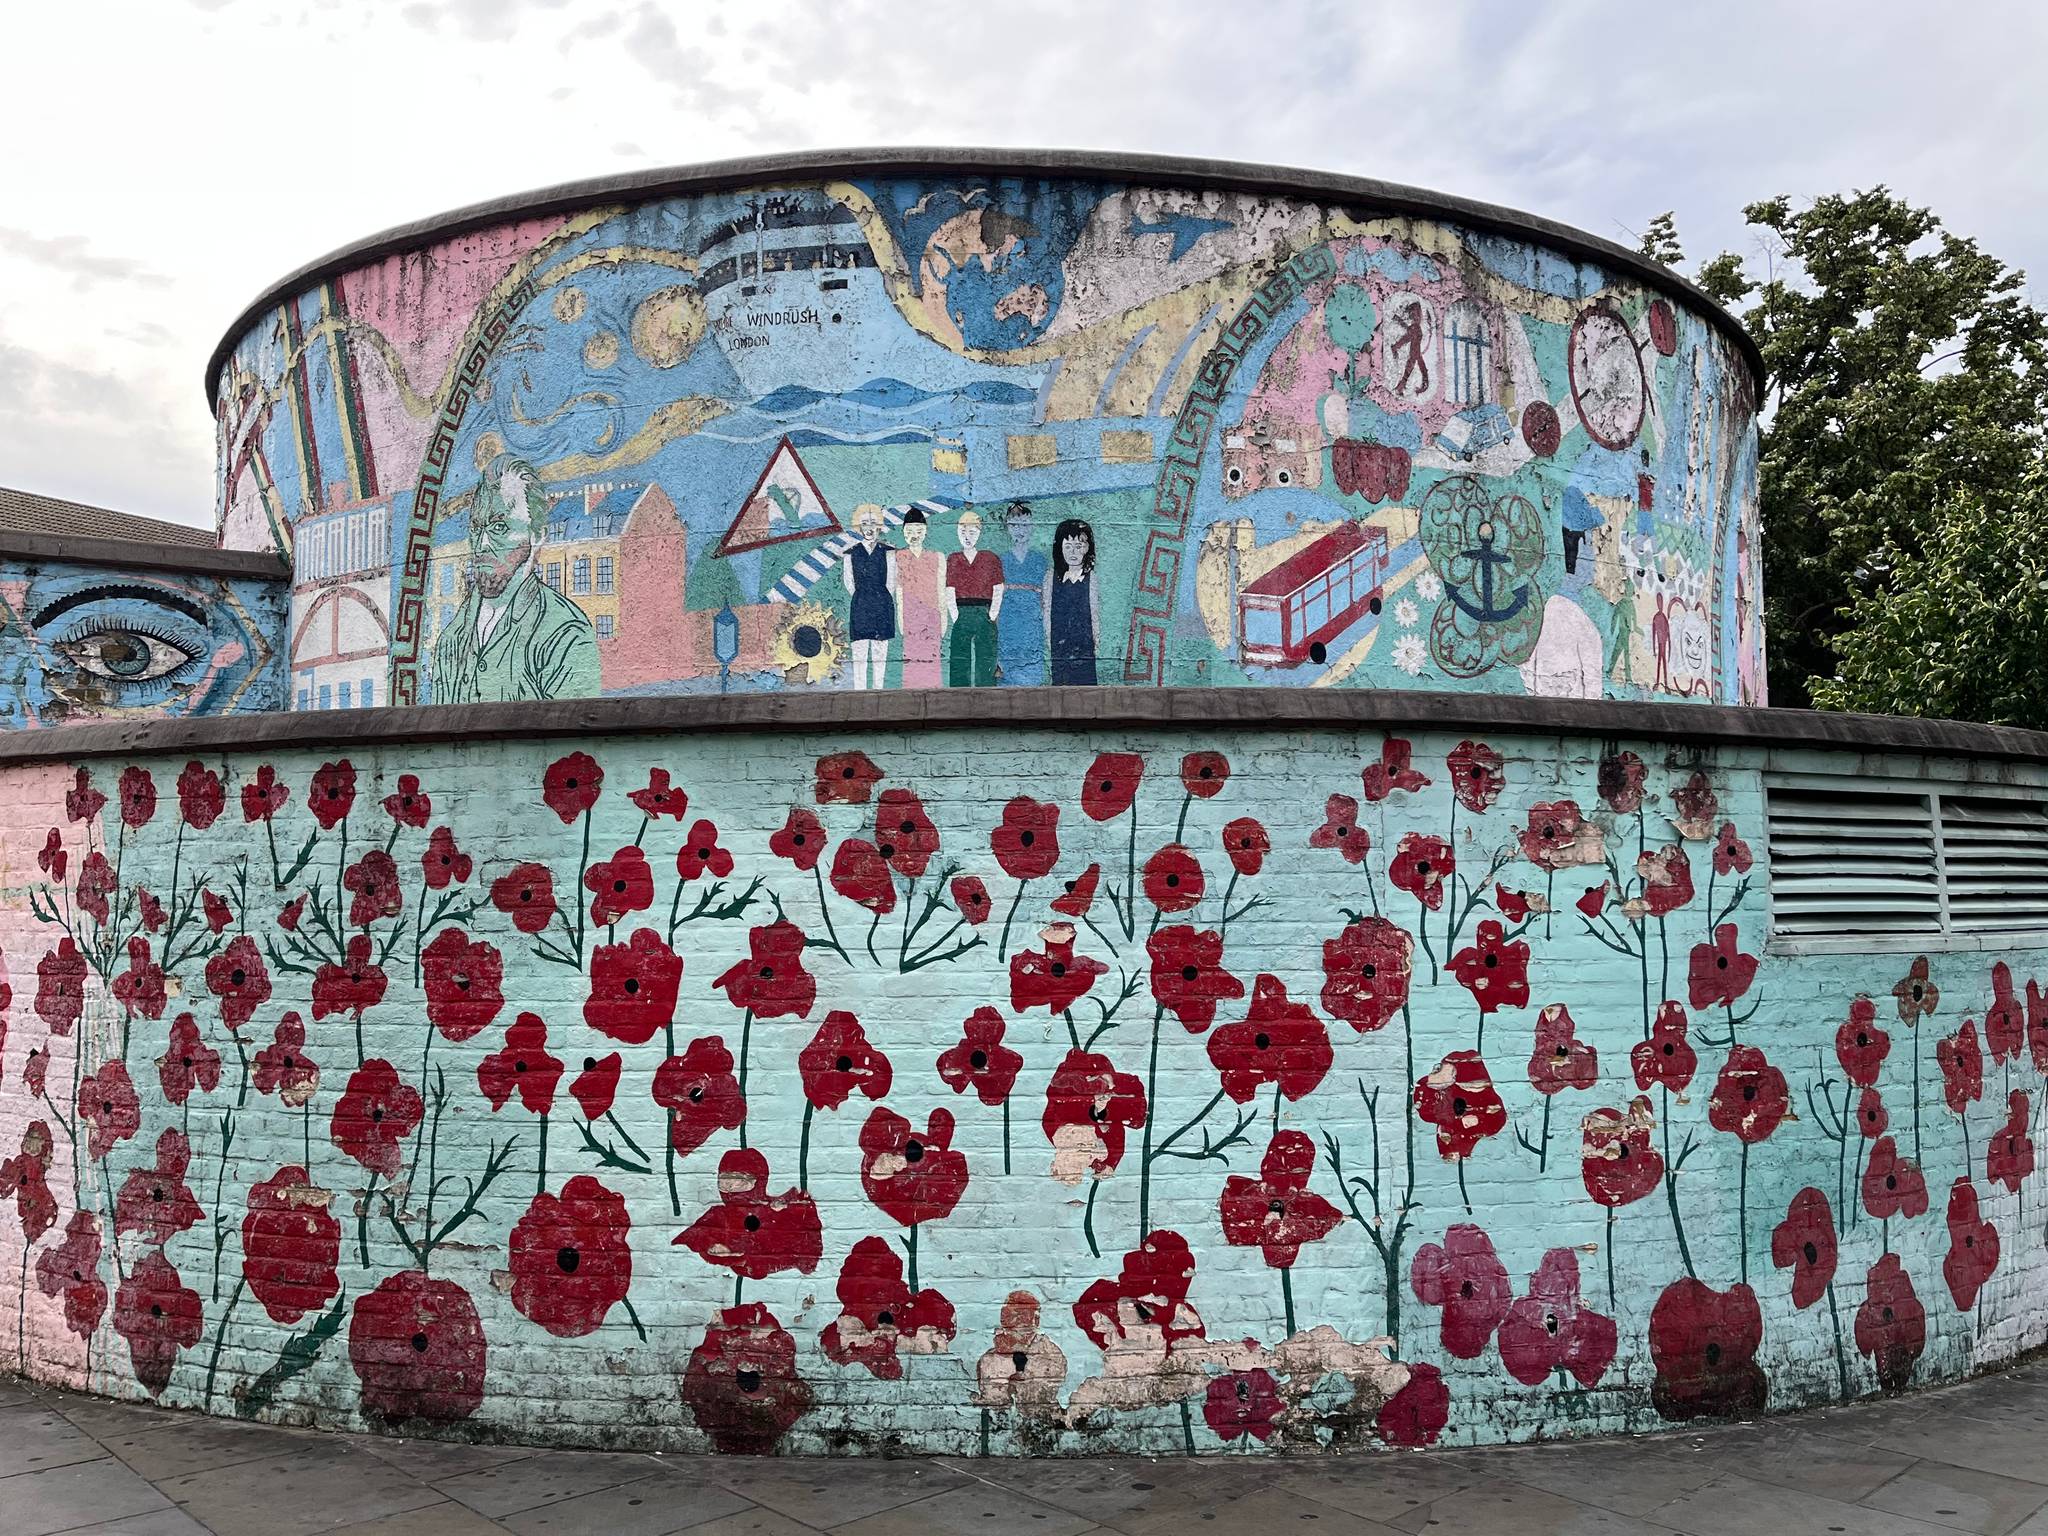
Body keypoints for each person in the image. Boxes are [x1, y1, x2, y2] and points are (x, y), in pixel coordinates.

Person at [428, 455, 598, 704]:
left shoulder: (565, 633)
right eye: (477, 527)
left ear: (537, 534)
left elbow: (574, 738)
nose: (482, 544)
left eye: (499, 527)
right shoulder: (451, 638)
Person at [944, 508, 1004, 687]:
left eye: (972, 531)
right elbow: (949, 589)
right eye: (963, 532)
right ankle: (958, 697)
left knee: (985, 659)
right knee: (959, 659)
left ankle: (986, 695)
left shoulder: (990, 558)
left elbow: (998, 588)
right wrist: (955, 615)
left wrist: (992, 615)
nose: (967, 536)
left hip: (984, 612)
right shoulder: (954, 559)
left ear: (979, 533)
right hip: (962, 612)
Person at [840, 504, 897, 689]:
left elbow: (891, 581)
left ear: (879, 526)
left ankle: (879, 690)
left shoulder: (888, 551)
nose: (869, 528)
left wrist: (879, 595)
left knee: (880, 653)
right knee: (860, 653)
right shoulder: (851, 553)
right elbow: (849, 582)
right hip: (861, 605)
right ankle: (860, 691)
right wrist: (863, 595)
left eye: (873, 523)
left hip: (882, 604)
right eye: (865, 523)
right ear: (859, 526)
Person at [996, 501, 1048, 685]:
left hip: (1032, 619)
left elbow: (1045, 595)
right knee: (1007, 667)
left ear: (1032, 526)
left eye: (1025, 524)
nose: (1020, 530)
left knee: (1032, 668)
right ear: (1008, 527)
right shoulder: (1001, 560)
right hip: (1008, 619)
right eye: (1015, 525)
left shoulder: (1040, 560)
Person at [893, 509, 945, 688]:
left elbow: (941, 590)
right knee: (912, 659)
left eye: (918, 531)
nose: (914, 536)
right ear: (903, 532)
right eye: (909, 531)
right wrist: (901, 618)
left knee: (932, 659)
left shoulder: (936, 557)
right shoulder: (899, 557)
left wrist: (943, 619)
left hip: (932, 615)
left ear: (925, 531)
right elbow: (898, 590)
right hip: (910, 614)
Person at [1048, 517, 1100, 686]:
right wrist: (1049, 639)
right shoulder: (1051, 577)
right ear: (1060, 548)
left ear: (1087, 548)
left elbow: (1094, 612)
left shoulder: (1091, 579)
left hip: (1084, 646)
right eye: (1068, 546)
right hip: (1059, 645)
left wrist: (1096, 641)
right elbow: (1047, 610)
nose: (1073, 552)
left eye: (1079, 546)